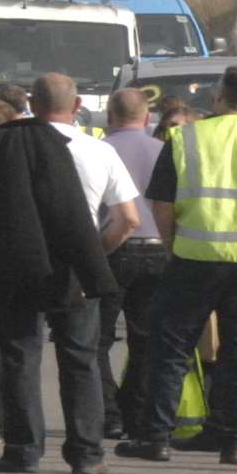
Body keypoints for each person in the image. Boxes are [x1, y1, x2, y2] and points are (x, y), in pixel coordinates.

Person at [119, 65, 237, 467]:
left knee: (172, 349)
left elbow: (162, 205)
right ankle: (235, 440)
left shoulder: (186, 138)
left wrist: (172, 244)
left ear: (219, 96)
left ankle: (156, 436)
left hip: (194, 257)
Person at [0, 73, 133, 474]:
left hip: (16, 262)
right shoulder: (98, 150)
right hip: (75, 264)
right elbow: (127, 218)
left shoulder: (3, 145)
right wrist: (94, 255)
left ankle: (22, 449)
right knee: (80, 357)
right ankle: (87, 453)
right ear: (77, 107)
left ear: (32, 103)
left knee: (19, 354)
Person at [96, 87, 168, 441]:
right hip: (157, 249)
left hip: (111, 246)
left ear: (110, 115)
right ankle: (135, 409)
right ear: (147, 116)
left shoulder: (99, 150)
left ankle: (107, 412)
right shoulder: (163, 150)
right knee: (146, 338)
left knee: (97, 337)